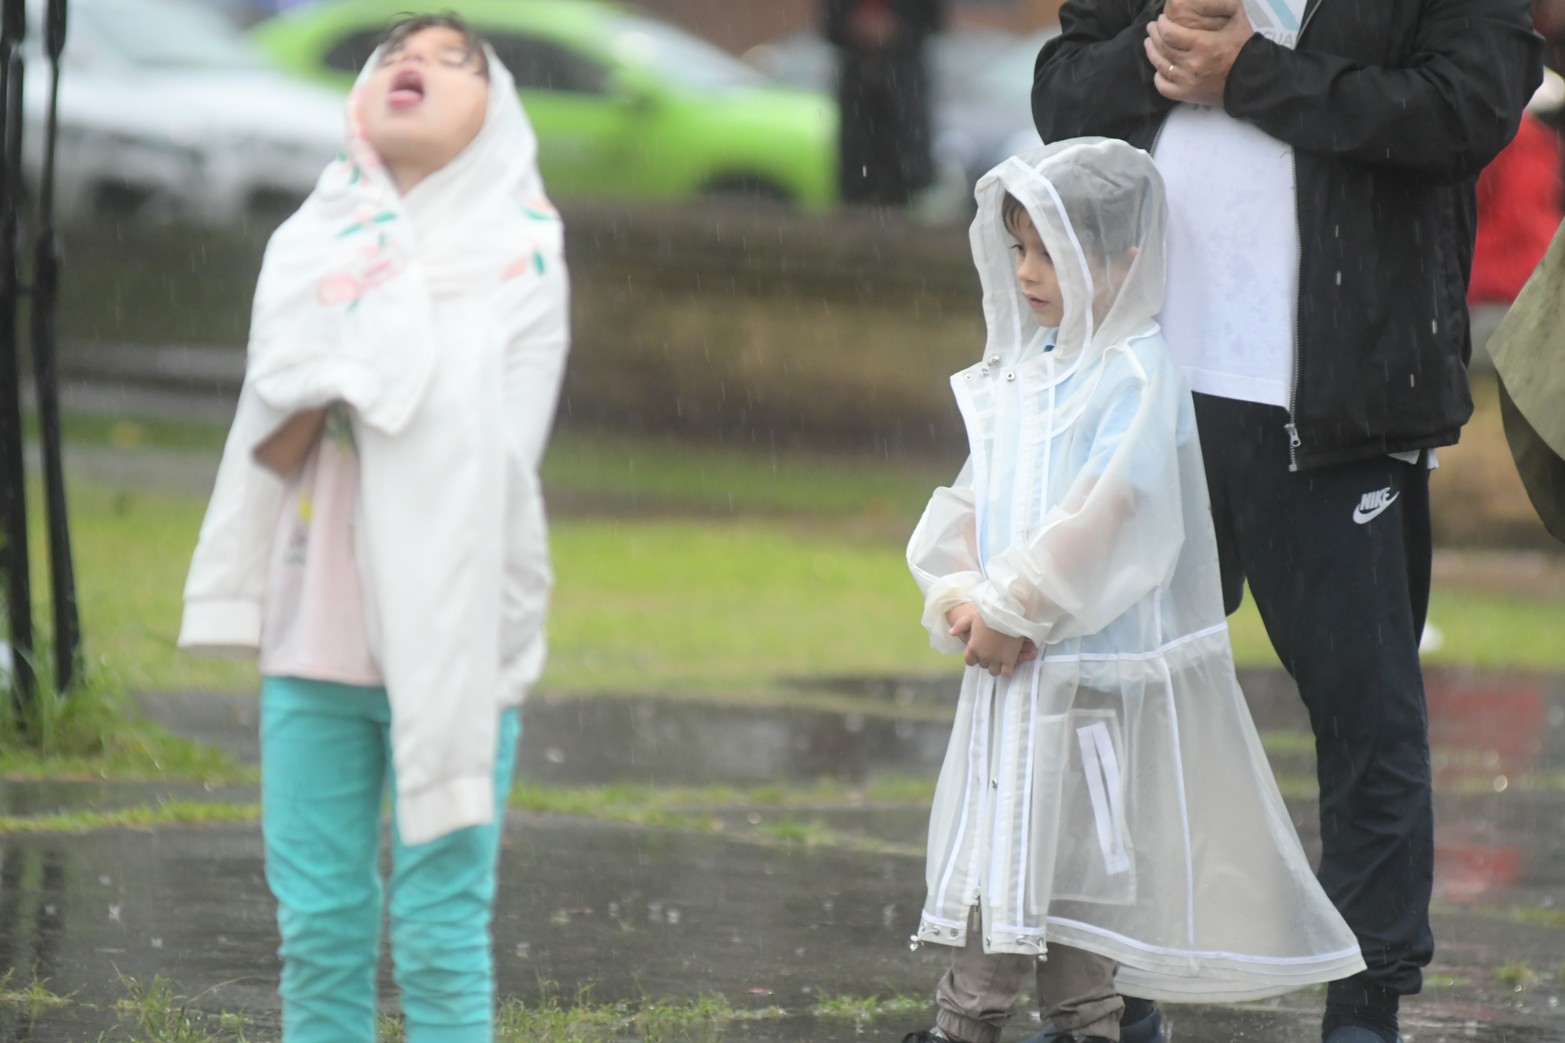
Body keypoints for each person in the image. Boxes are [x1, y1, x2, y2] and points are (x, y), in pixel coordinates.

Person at [1031, 4, 1542, 1043]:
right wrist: (1158, 50)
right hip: (1141, 399)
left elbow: (1467, 110)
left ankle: (1365, 1005)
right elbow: (1058, 94)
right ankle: (1107, 995)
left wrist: (1253, 77)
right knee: (1110, 705)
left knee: (1367, 723)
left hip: (1340, 406)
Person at [900, 138, 1363, 1043]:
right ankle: (992, 1022)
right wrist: (958, 590)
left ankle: (1032, 1024)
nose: (1027, 273)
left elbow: (1110, 508)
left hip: (1088, 695)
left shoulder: (1135, 375)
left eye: (1049, 251)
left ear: (1120, 260)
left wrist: (1016, 606)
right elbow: (968, 494)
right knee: (1003, 861)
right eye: (1018, 249)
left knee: (1072, 889)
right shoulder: (1023, 374)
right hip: (1008, 685)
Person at [178, 14, 569, 1043]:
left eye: (455, 61)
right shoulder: (311, 243)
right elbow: (270, 434)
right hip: (312, 634)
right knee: (318, 924)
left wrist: (349, 360)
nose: (417, 64)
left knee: (440, 931)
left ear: (496, 118)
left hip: (453, 631)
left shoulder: (522, 254)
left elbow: (491, 445)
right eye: (398, 51)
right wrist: (342, 371)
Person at [823, 0, 944, 206]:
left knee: (903, 175)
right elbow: (830, 23)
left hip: (903, 85)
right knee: (859, 172)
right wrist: (856, 27)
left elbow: (933, 20)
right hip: (859, 85)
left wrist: (896, 28)